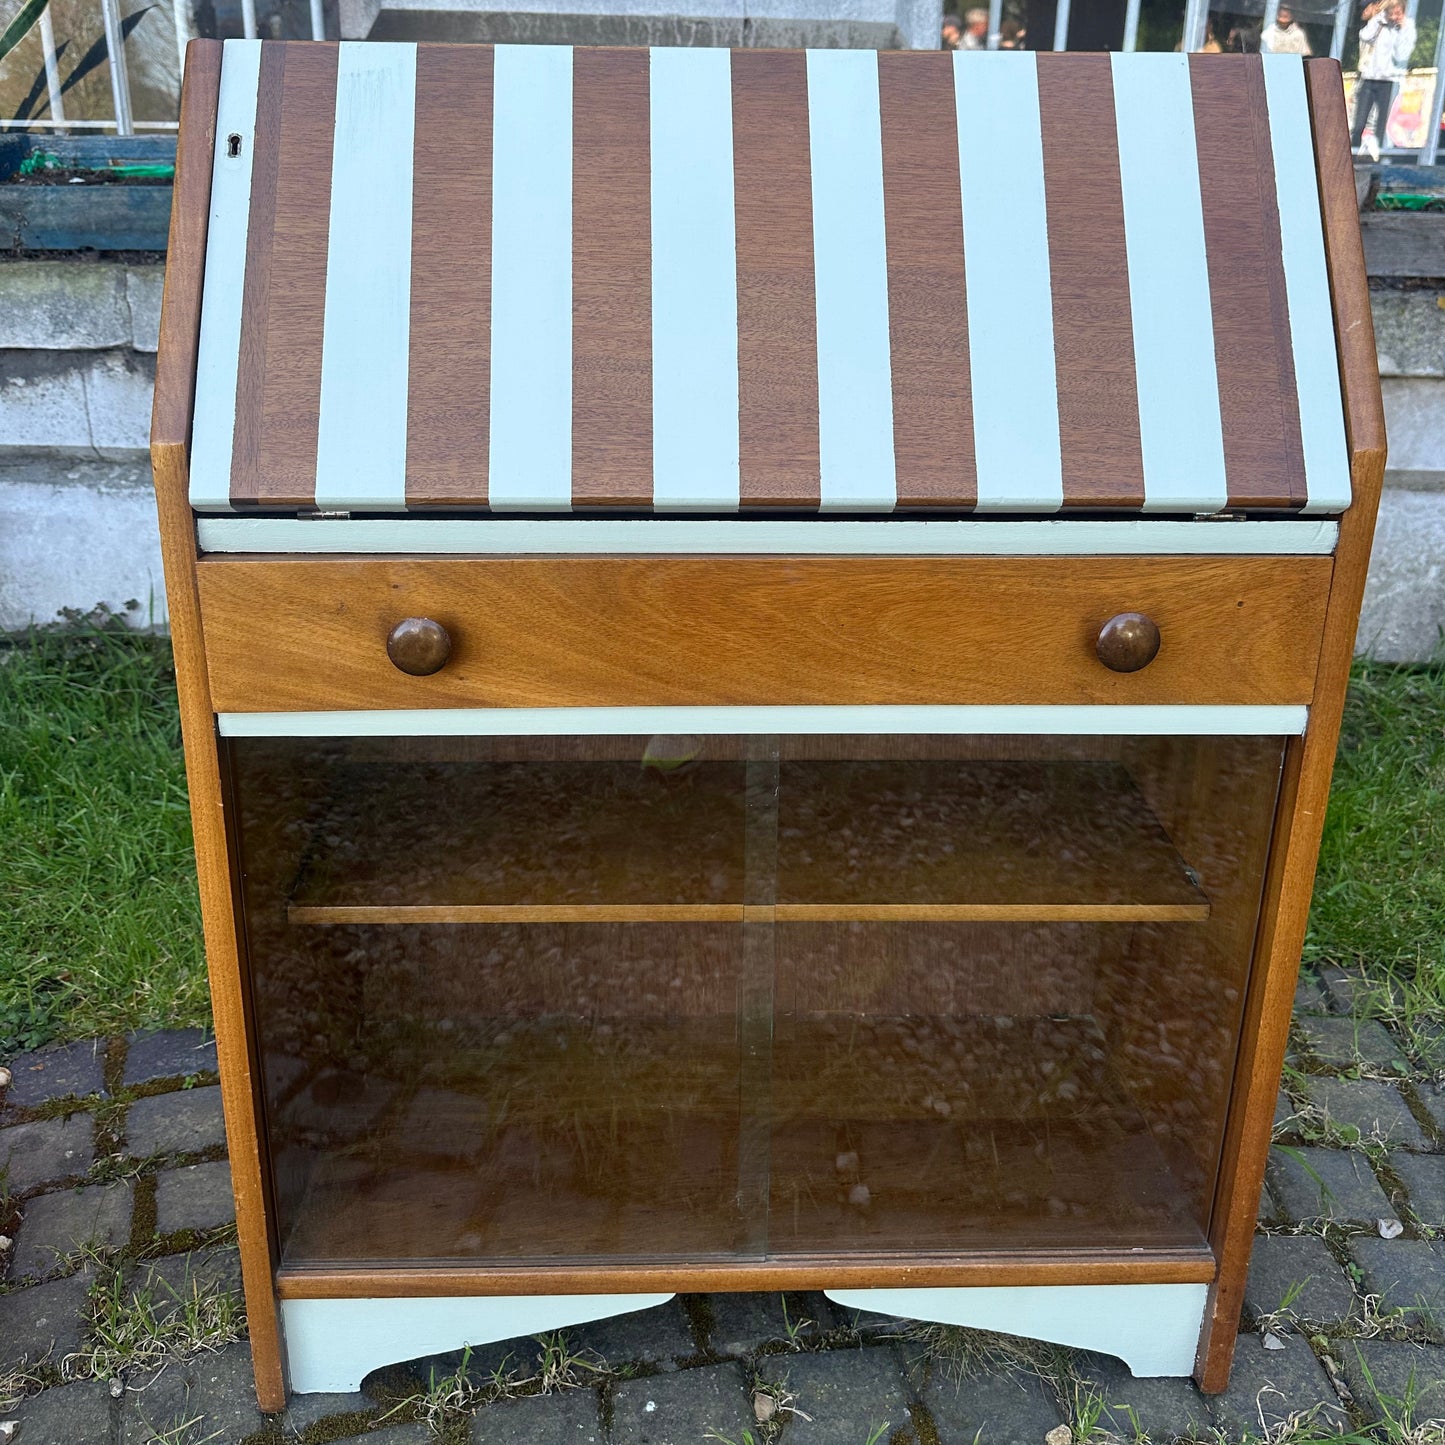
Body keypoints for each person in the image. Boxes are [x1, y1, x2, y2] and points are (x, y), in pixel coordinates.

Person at [1352, 0, 1418, 159]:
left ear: (1403, 13)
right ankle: (1351, 153)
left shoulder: (1408, 26)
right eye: (1391, 13)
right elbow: (1365, 36)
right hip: (1370, 78)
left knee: (1382, 124)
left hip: (1389, 81)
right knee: (1360, 122)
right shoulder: (1380, 22)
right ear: (1387, 13)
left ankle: (1379, 157)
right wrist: (1378, 19)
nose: (1395, 17)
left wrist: (1401, 29)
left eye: (1398, 13)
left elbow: (1402, 55)